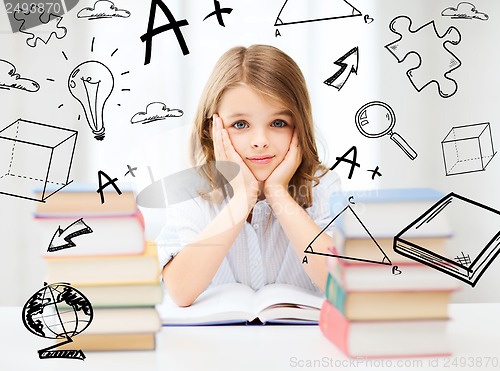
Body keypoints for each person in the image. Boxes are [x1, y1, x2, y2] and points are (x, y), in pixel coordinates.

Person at [156, 44, 340, 307]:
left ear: (299, 126)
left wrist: (279, 194)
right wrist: (242, 198)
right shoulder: (191, 190)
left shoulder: (322, 186)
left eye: (278, 123)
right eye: (240, 125)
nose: (260, 141)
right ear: (213, 129)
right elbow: (180, 291)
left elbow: (341, 283)